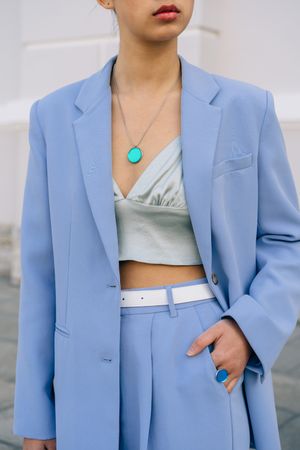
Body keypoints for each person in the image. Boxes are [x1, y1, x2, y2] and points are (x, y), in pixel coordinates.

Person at [13, 1, 300, 450]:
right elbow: (41, 271)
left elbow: (288, 241)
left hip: (202, 349)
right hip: (87, 361)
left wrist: (248, 329)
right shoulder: (53, 117)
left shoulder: (247, 107)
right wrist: (36, 412)